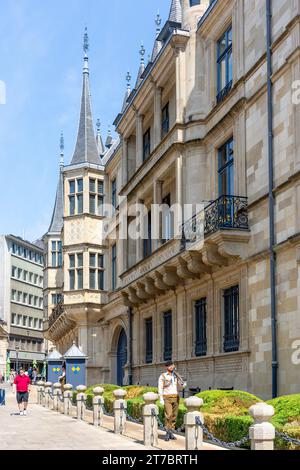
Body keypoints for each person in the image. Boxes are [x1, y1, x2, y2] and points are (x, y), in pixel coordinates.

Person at [158, 361, 187, 441]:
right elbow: (160, 388)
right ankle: (167, 432)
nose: (171, 366)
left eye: (172, 365)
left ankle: (171, 432)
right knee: (168, 415)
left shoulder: (176, 376)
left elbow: (180, 387)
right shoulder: (163, 376)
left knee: (174, 416)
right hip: (167, 397)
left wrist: (183, 384)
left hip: (176, 397)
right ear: (166, 367)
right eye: (169, 365)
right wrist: (161, 398)